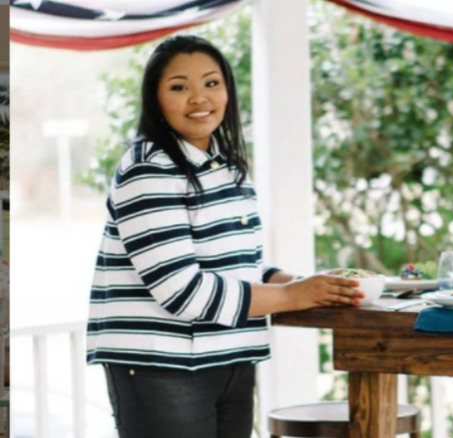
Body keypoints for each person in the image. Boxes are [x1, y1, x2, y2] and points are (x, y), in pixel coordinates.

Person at [86, 35, 364, 438]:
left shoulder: (226, 168)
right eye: (180, 87)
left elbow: (240, 266)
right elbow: (183, 290)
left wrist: (307, 284)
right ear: (155, 98)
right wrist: (293, 296)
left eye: (212, 84)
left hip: (229, 357)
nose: (199, 98)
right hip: (162, 366)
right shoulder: (148, 172)